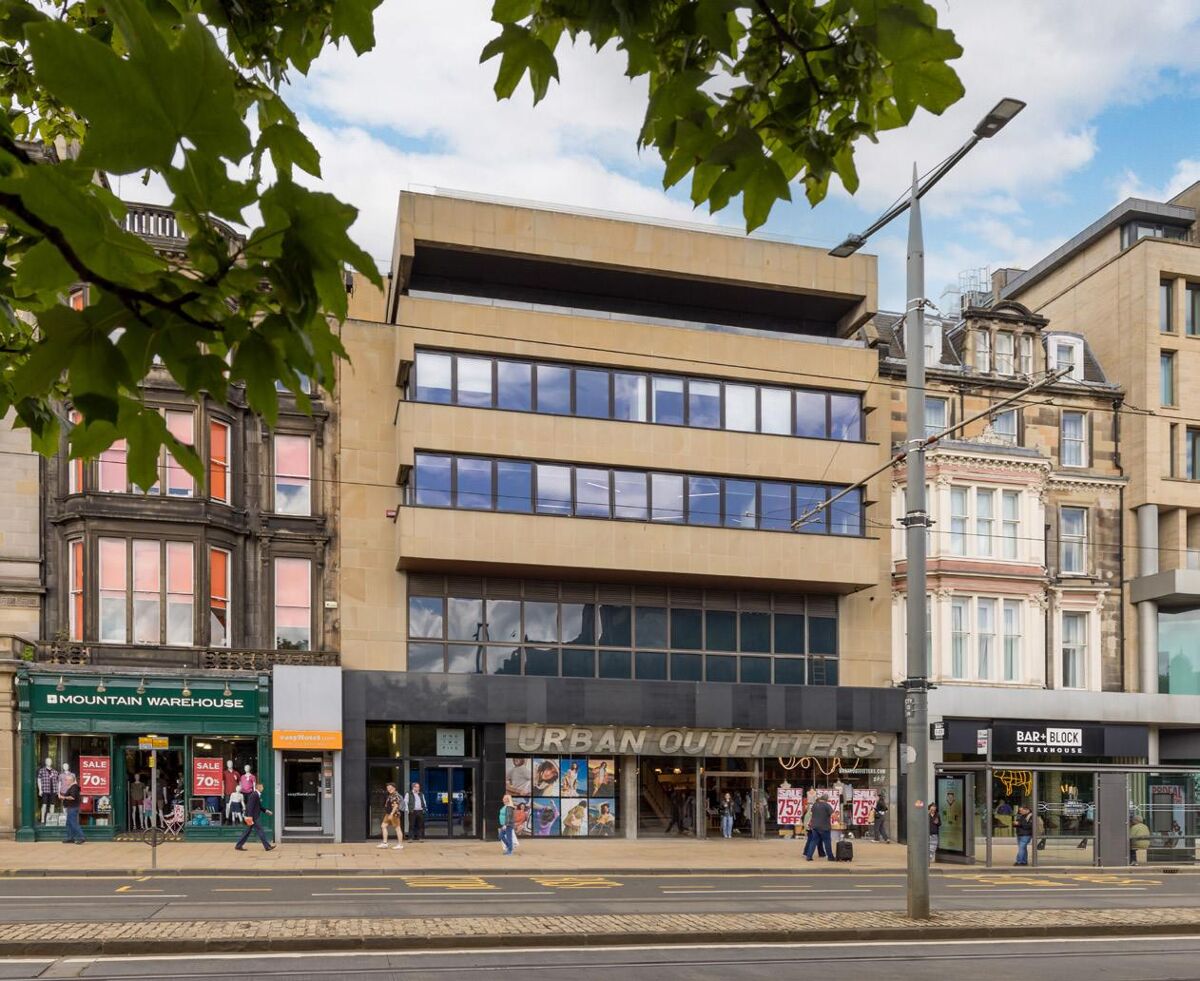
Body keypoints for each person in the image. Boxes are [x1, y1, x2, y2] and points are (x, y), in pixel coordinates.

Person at [235, 781, 275, 852]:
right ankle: (267, 846)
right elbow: (250, 806)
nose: (263, 788)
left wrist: (266, 811)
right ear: (258, 787)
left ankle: (238, 845)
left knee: (247, 832)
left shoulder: (256, 795)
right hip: (253, 817)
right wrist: (250, 817)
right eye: (262, 787)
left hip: (252, 816)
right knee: (260, 830)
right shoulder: (254, 795)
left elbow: (259, 806)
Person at [804, 795, 835, 861]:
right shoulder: (827, 805)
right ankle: (830, 857)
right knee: (827, 842)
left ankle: (809, 856)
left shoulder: (815, 805)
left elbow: (812, 814)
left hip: (814, 826)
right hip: (824, 827)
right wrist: (839, 820)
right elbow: (833, 815)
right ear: (826, 799)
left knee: (813, 841)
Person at [58, 772, 84, 845]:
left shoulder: (74, 787)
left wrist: (63, 797)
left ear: (71, 780)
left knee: (73, 823)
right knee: (69, 823)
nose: (65, 781)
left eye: (66, 780)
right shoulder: (73, 787)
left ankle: (81, 837)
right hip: (71, 807)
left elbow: (72, 797)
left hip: (73, 808)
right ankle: (70, 838)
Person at [378, 781, 403, 850]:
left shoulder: (395, 795)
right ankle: (385, 843)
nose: (389, 789)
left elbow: (396, 806)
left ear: (394, 788)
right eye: (388, 788)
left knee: (397, 828)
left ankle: (400, 844)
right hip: (388, 814)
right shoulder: (391, 795)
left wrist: (392, 814)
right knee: (383, 826)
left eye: (390, 788)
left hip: (394, 814)